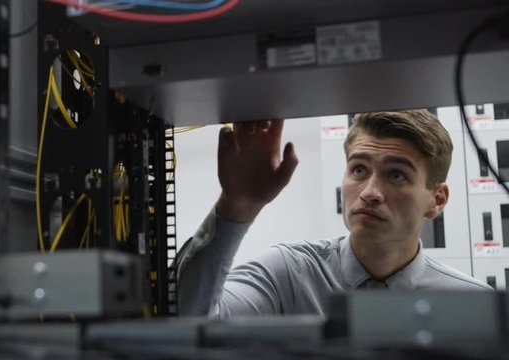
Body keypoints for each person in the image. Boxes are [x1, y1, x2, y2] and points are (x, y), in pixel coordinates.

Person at [176, 110, 492, 318]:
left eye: (396, 175)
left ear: (437, 199)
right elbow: (191, 318)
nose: (369, 192)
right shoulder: (288, 274)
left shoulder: (477, 307)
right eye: (359, 169)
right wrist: (237, 206)